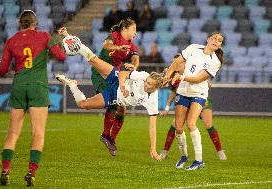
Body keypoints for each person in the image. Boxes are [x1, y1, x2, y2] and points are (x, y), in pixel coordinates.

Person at [56, 38, 164, 161]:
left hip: (114, 95)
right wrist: (123, 85)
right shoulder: (143, 76)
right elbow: (123, 73)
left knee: (83, 104)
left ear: (156, 88)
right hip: (117, 79)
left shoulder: (153, 101)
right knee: (93, 59)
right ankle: (73, 42)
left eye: (150, 84)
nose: (146, 84)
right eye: (147, 81)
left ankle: (72, 85)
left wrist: (153, 149)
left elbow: (152, 127)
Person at [0, 10, 66, 186]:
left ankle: (5, 170)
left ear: (20, 23)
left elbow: (2, 71)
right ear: (35, 22)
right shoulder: (43, 36)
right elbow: (61, 56)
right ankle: (31, 173)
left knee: (12, 133)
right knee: (38, 133)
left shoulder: (12, 41)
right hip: (38, 86)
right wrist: (56, 40)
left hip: (19, 85)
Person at [165, 32, 225, 170]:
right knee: (179, 127)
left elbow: (198, 79)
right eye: (215, 38)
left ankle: (199, 161)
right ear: (208, 39)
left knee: (191, 123)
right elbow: (177, 62)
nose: (217, 41)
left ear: (220, 45)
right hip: (183, 91)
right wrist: (168, 75)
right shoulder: (193, 48)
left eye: (220, 40)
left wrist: (181, 77)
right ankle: (184, 156)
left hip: (199, 93)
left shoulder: (215, 61)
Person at [91, 18, 139, 156]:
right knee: (113, 101)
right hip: (101, 71)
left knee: (122, 107)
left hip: (115, 74)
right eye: (133, 29)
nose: (135, 33)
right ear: (124, 29)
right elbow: (106, 45)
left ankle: (111, 138)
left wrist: (134, 67)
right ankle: (106, 135)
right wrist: (118, 47)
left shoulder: (131, 45)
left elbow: (135, 58)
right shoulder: (114, 36)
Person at [159, 80, 227, 161]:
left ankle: (220, 151)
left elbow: (209, 84)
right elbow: (174, 92)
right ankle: (165, 151)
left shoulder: (191, 71)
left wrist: (200, 81)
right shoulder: (174, 78)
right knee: (176, 124)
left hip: (201, 98)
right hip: (187, 100)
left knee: (208, 125)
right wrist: (167, 108)